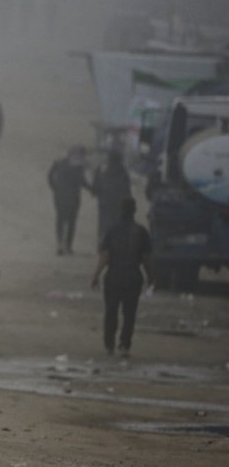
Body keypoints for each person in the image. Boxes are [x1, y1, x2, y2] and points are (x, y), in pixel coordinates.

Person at [90, 198, 153, 357]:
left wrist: (96, 275)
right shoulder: (141, 231)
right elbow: (146, 258)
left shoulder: (112, 230)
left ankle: (109, 344)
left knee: (111, 311)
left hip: (113, 277)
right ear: (134, 210)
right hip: (133, 277)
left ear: (120, 210)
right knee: (129, 313)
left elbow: (105, 256)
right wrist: (151, 277)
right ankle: (124, 345)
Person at [48, 146, 92, 255]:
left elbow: (50, 177)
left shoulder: (58, 163)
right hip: (73, 199)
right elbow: (83, 182)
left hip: (60, 197)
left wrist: (55, 188)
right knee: (71, 222)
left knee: (60, 220)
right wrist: (94, 190)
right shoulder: (79, 167)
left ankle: (60, 244)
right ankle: (67, 246)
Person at [91, 150, 131, 245]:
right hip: (118, 202)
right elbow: (126, 187)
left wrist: (95, 192)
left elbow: (96, 185)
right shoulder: (122, 170)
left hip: (104, 201)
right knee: (116, 221)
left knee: (103, 222)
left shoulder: (101, 168)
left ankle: (102, 240)